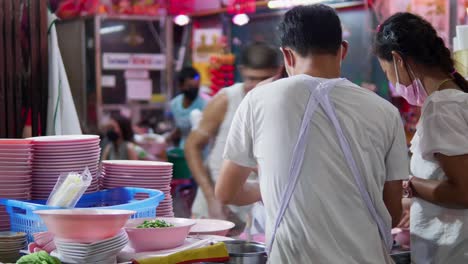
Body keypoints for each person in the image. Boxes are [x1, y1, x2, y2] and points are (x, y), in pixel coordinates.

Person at [215, 4, 408, 263]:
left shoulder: (258, 100)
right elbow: (393, 213)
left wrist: (273, 187)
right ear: (344, 50)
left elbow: (226, 192)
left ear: (287, 55)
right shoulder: (386, 112)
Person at [374, 12, 468, 264]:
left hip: (452, 251)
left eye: (386, 71)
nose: (391, 81)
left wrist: (411, 184)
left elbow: (463, 192)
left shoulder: (443, 106)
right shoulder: (454, 97)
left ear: (397, 59)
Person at [185, 43, 281, 235]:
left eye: (265, 78)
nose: (257, 85)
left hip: (254, 211)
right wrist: (212, 199)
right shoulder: (226, 100)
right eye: (251, 78)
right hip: (213, 208)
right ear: (242, 71)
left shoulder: (283, 100)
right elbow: (192, 147)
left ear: (279, 72)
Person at [167, 67, 207, 148]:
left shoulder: (205, 104)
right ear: (181, 86)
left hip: (202, 151)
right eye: (190, 86)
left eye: (196, 87)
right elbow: (181, 128)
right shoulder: (175, 104)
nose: (194, 90)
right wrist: (167, 139)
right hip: (183, 149)